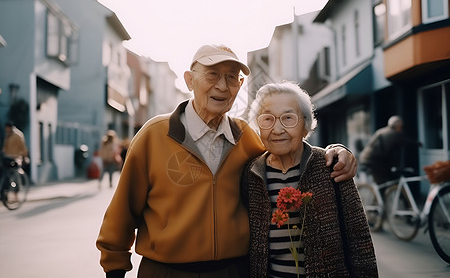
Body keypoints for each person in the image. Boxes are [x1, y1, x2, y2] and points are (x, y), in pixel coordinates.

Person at [96, 44, 357, 278]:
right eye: (212, 75)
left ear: (239, 86)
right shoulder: (154, 135)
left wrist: (337, 151)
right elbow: (123, 209)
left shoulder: (246, 138)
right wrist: (114, 266)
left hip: (233, 271)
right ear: (189, 80)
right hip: (165, 271)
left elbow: (287, 149)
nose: (222, 86)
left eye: (232, 77)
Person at [242, 81, 378, 277]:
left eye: (288, 118)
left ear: (305, 126)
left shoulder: (331, 166)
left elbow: (359, 241)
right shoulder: (251, 174)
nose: (277, 129)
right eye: (267, 119)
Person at [359, 115, 421, 185]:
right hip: (373, 161)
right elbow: (404, 141)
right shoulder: (395, 134)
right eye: (401, 126)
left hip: (366, 158)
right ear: (398, 126)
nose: (401, 128)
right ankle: (382, 194)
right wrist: (418, 143)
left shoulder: (382, 131)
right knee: (383, 182)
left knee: (383, 179)